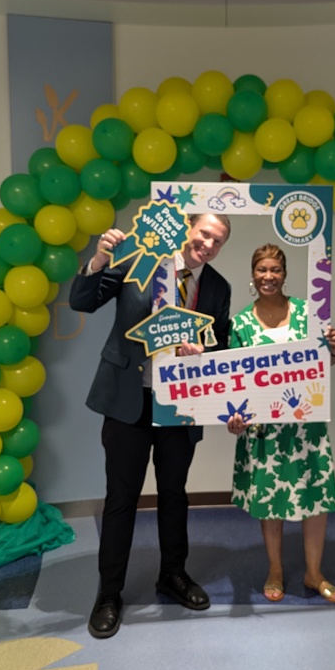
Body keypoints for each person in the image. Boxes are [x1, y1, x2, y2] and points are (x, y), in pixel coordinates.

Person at [70, 213, 232, 639]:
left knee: (175, 495)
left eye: (218, 241)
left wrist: (204, 350)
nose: (209, 245)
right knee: (121, 498)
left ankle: (173, 575)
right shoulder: (140, 261)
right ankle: (108, 593)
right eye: (204, 234)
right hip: (130, 399)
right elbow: (82, 301)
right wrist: (100, 257)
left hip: (180, 406)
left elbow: (224, 345)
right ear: (189, 230)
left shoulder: (217, 287)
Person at [224, 243, 335, 604]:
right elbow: (232, 379)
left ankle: (314, 573)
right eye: (261, 269)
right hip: (263, 428)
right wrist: (234, 417)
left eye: (275, 270)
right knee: (269, 501)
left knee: (315, 498)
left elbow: (321, 365)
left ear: (285, 274)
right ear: (252, 274)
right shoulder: (241, 323)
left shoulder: (309, 314)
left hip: (305, 426)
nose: (268, 276)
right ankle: (275, 569)